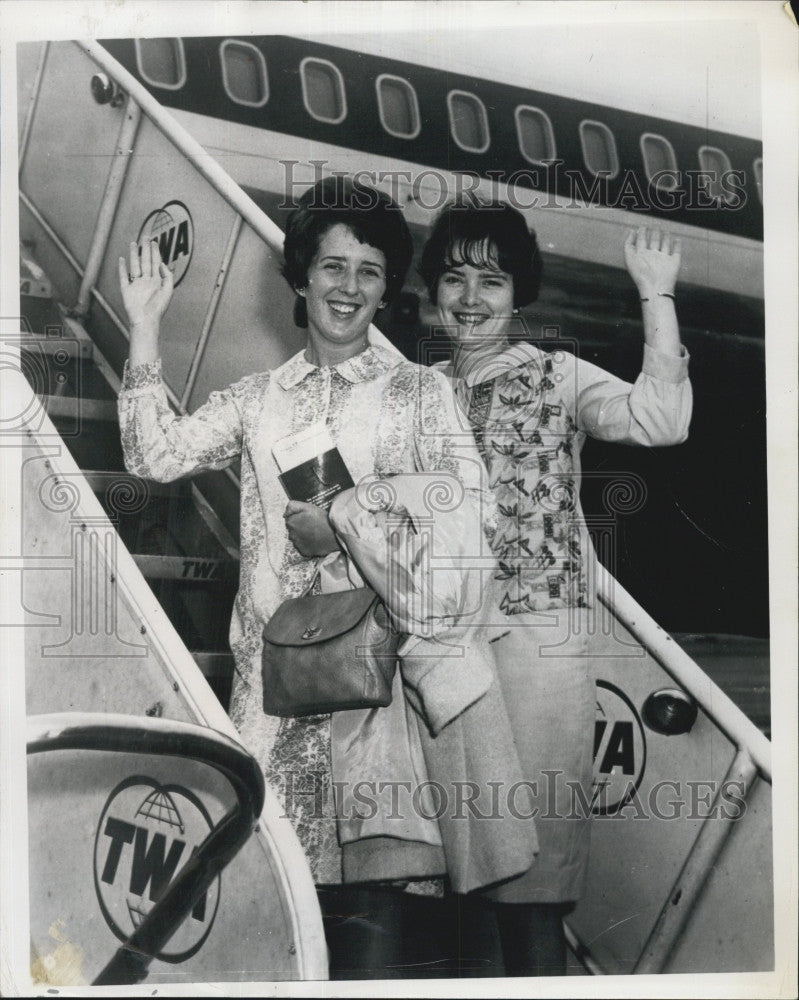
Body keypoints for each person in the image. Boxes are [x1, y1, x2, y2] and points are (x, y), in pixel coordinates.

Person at [116, 177, 496, 978]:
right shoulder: (257, 400)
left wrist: (355, 508)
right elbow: (155, 456)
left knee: (374, 930)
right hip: (269, 697)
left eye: (366, 269)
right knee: (269, 920)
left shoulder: (421, 393)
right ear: (300, 278)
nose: (347, 287)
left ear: (387, 287)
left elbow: (469, 506)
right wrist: (147, 327)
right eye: (331, 266)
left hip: (380, 700)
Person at [418, 200, 692, 976]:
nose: (471, 298)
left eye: (492, 281)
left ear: (518, 293)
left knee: (534, 879)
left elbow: (660, 420)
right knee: (459, 875)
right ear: (433, 291)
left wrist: (654, 294)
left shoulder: (556, 373)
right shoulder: (414, 391)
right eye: (454, 278)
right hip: (441, 649)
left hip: (539, 644)